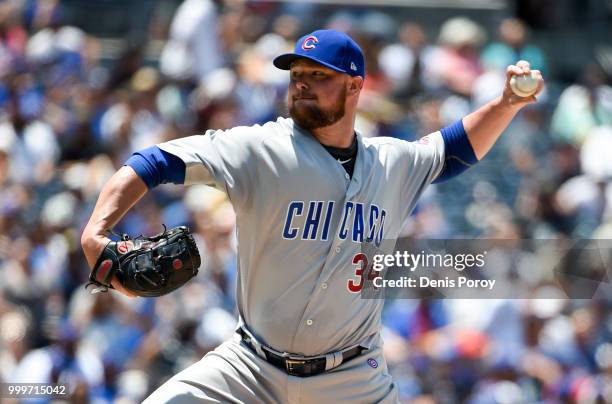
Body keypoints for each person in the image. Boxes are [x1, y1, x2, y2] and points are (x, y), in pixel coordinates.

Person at [81, 29, 544, 403]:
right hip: (250, 369)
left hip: (353, 381)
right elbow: (152, 162)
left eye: (318, 75)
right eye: (296, 73)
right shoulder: (259, 149)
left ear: (355, 85)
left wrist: (506, 105)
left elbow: (455, 149)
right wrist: (96, 231)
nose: (301, 82)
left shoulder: (392, 162)